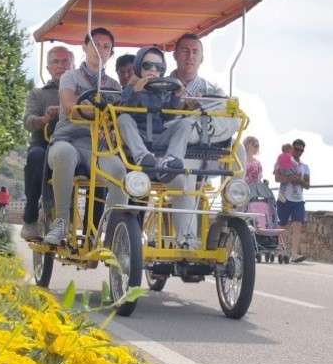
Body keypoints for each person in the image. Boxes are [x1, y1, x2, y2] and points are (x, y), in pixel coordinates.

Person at [45, 27, 127, 246]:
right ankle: (61, 221)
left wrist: (108, 127)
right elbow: (70, 105)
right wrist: (100, 113)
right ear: (85, 47)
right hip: (68, 139)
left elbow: (117, 119)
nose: (100, 50)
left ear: (111, 53)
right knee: (64, 154)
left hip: (98, 146)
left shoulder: (114, 86)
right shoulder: (70, 77)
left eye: (106, 47)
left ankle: (113, 231)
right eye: (95, 45)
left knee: (120, 170)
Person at [117, 45, 200, 247]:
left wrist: (177, 96)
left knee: (185, 122)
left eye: (157, 66)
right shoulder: (132, 86)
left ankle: (172, 159)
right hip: (139, 137)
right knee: (124, 118)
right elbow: (123, 107)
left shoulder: (164, 89)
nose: (152, 69)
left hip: (159, 138)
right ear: (139, 67)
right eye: (147, 65)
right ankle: (142, 157)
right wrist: (136, 90)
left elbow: (169, 116)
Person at [171, 32, 247, 176]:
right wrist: (181, 107)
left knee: (238, 149)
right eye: (185, 50)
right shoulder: (163, 86)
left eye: (195, 52)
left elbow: (225, 113)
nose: (190, 56)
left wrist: (201, 107)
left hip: (208, 143)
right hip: (174, 146)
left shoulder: (213, 89)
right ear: (175, 55)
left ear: (202, 58)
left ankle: (235, 194)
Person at [19, 46, 74, 241]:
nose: (61, 66)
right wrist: (44, 119)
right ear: (48, 67)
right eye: (56, 62)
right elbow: (27, 121)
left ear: (73, 65)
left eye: (66, 61)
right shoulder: (38, 93)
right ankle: (30, 218)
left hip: (73, 142)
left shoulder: (80, 91)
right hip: (43, 143)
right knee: (36, 157)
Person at [275, 138, 310, 262]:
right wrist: (291, 178)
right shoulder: (282, 161)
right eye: (297, 149)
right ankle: (281, 251)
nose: (299, 152)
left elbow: (307, 185)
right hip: (284, 198)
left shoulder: (304, 167)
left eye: (301, 150)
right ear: (292, 148)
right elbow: (277, 178)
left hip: (298, 200)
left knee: (298, 225)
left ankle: (294, 254)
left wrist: (297, 180)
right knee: (281, 225)